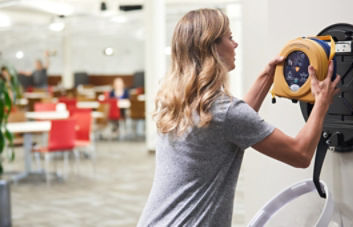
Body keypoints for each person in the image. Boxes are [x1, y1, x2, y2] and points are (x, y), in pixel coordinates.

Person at [138, 8, 340, 226]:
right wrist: (322, 101)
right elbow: (300, 154)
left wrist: (267, 76)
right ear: (212, 47)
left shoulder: (178, 102)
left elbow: (235, 125)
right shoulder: (225, 112)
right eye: (230, 38)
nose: (235, 44)